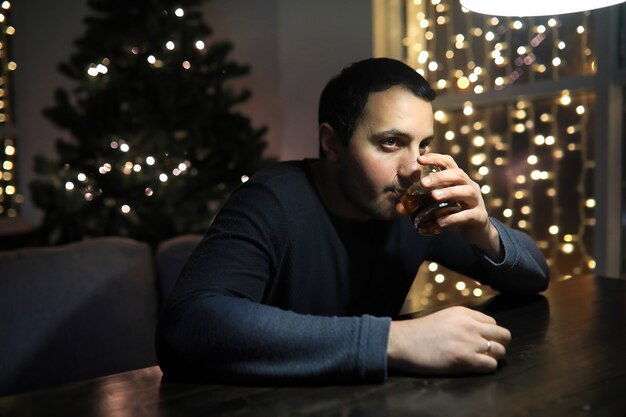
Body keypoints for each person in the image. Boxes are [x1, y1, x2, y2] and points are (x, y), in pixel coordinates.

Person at [156, 57, 549, 384]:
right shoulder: (272, 199)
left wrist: (484, 231)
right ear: (332, 144)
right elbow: (189, 324)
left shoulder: (411, 206)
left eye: (423, 145)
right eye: (390, 143)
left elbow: (535, 278)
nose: (414, 168)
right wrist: (392, 341)